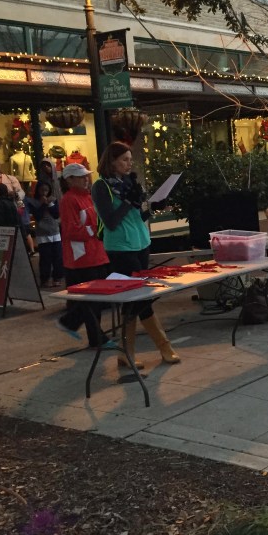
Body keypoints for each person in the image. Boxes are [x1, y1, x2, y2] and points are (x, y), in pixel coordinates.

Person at [93, 142, 180, 367]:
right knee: (141, 299)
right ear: (111, 161)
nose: (129, 163)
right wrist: (128, 201)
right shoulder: (101, 186)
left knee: (135, 301)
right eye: (124, 159)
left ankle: (127, 353)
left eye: (130, 159)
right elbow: (110, 222)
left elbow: (138, 217)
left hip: (141, 243)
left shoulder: (128, 182)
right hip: (120, 247)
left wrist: (153, 207)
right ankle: (163, 347)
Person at [55, 163, 117, 350]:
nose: (86, 179)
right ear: (69, 180)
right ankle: (83, 329)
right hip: (82, 258)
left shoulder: (88, 197)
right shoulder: (69, 200)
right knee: (92, 299)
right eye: (80, 177)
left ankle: (80, 328)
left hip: (96, 254)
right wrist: (95, 230)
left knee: (95, 299)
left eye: (86, 176)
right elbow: (71, 230)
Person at [27, 181, 64, 288]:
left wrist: (50, 204)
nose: (44, 192)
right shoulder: (34, 202)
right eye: (42, 190)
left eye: (46, 190)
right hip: (42, 234)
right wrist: (42, 204)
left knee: (57, 257)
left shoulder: (53, 199)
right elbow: (37, 216)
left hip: (55, 232)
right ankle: (45, 279)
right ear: (38, 190)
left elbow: (56, 214)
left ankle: (57, 278)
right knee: (45, 258)